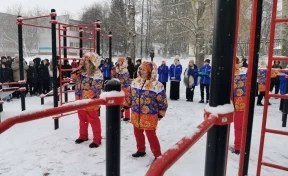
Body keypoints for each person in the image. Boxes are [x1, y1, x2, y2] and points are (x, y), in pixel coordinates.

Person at [123, 61, 168, 160]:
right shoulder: (135, 82)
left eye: (144, 69)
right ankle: (141, 150)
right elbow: (130, 96)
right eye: (140, 69)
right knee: (137, 133)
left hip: (150, 115)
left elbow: (162, 101)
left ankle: (157, 155)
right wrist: (126, 105)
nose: (141, 71)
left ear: (150, 71)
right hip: (135, 113)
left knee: (151, 135)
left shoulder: (157, 85)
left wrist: (161, 113)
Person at [72, 52, 103, 148]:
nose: (84, 62)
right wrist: (78, 70)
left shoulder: (97, 74)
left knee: (94, 120)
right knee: (82, 119)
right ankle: (83, 136)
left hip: (91, 101)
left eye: (86, 61)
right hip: (80, 100)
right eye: (83, 60)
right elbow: (73, 77)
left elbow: (97, 87)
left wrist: (87, 95)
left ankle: (97, 139)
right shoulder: (82, 71)